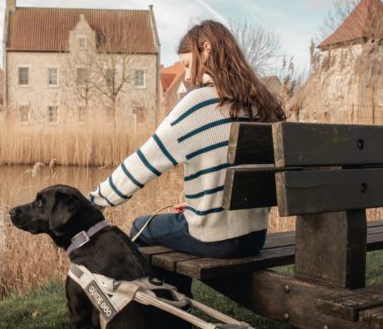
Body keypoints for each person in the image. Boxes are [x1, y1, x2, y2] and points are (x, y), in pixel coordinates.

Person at [87, 20, 285, 263]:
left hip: (216, 238)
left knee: (142, 226)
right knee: (179, 221)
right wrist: (200, 203)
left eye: (189, 65)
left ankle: (170, 298)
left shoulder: (198, 103)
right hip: (255, 236)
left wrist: (96, 200)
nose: (189, 76)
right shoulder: (260, 104)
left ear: (207, 48)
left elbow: (145, 161)